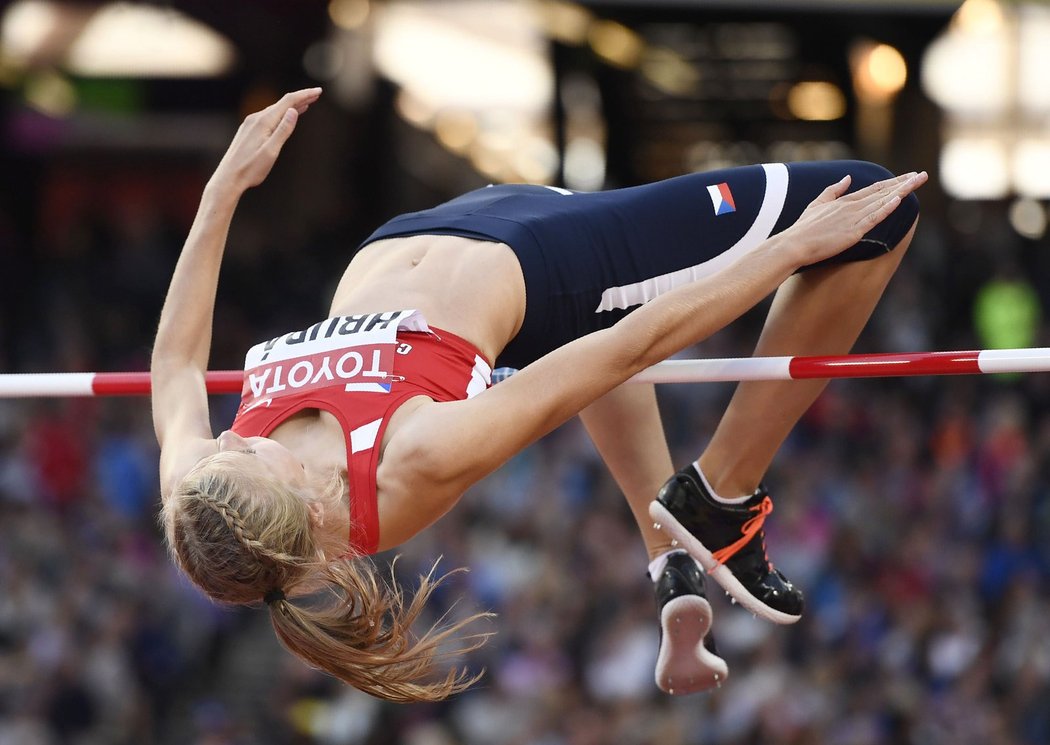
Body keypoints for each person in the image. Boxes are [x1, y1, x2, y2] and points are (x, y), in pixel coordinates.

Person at [151, 88, 925, 702]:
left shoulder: (204, 495)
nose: (231, 435)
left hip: (442, 222)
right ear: (305, 510)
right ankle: (723, 490)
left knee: (582, 341)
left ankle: (671, 561)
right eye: (248, 451)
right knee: (876, 202)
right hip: (549, 261)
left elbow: (178, 366)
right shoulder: (404, 464)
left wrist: (224, 188)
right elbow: (623, 350)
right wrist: (793, 247)